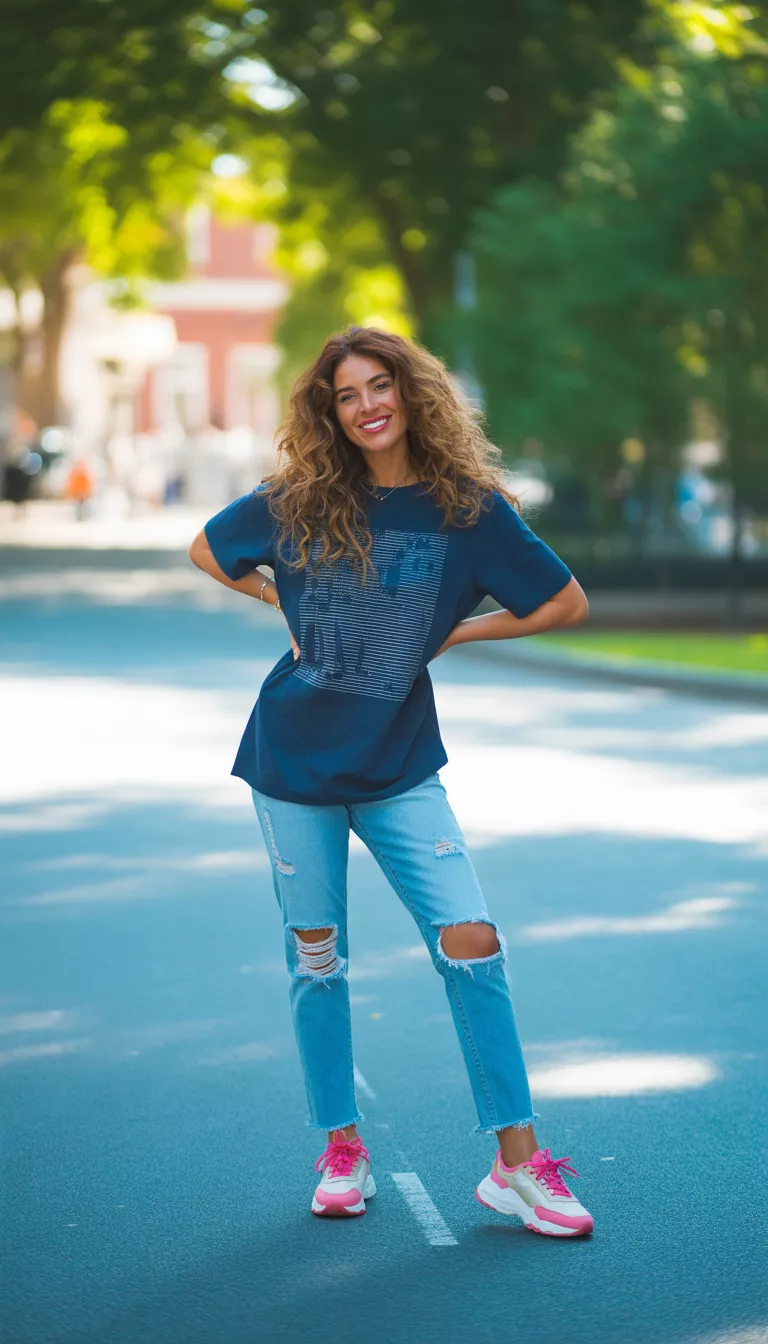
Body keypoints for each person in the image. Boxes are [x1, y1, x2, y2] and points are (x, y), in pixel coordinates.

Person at [189, 327, 593, 1237]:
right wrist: (281, 603)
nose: (368, 405)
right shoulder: (298, 500)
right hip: (292, 763)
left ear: (412, 395)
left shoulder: (469, 509)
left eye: (382, 386)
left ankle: (517, 1165)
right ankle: (342, 1149)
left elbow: (563, 601)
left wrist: (452, 634)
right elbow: (210, 551)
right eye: (347, 394)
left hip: (402, 762)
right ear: (328, 411)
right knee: (318, 960)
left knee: (473, 937)